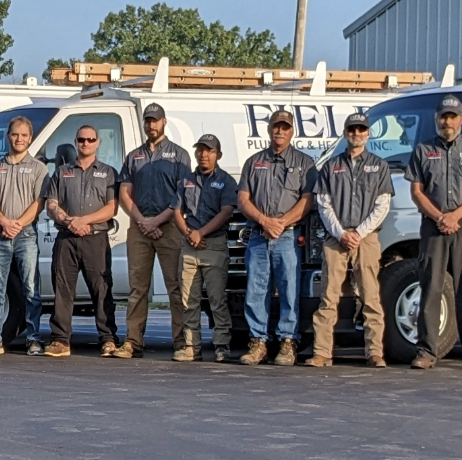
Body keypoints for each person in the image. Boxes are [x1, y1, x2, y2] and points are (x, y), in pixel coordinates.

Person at [405, 94, 462, 370]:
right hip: (433, 225)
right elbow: (416, 191)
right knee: (431, 286)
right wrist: (439, 216)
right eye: (443, 116)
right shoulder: (422, 150)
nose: (447, 122)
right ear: (436, 119)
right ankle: (427, 351)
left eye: (453, 117)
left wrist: (456, 215)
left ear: (461, 119)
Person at [306, 113, 393, 368]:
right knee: (328, 297)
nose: (357, 134)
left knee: (370, 296)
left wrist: (359, 233)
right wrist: (341, 233)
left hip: (366, 238)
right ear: (345, 134)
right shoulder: (331, 167)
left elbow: (383, 205)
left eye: (361, 130)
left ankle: (374, 352)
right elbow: (324, 203)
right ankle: (322, 352)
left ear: (368, 134)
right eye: (352, 130)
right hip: (336, 237)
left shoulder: (380, 166)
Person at [236, 110, 316, 366]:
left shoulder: (306, 163)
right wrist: (264, 220)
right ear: (269, 129)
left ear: (292, 131)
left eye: (285, 127)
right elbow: (243, 199)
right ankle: (258, 341)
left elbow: (308, 200)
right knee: (255, 291)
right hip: (259, 236)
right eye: (275, 126)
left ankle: (287, 342)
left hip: (287, 237)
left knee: (289, 290)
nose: (279, 131)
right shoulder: (254, 161)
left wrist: (281, 222)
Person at [115, 103, 191, 360]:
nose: (152, 125)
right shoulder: (134, 156)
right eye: (148, 121)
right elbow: (124, 193)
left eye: (156, 120)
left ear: (164, 122)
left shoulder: (179, 155)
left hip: (170, 227)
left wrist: (157, 221)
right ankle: (133, 341)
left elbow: (183, 194)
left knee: (176, 287)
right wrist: (142, 221)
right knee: (137, 288)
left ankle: (181, 342)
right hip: (139, 227)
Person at [43, 125, 120, 357]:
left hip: (95, 238)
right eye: (81, 140)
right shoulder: (61, 172)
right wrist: (69, 221)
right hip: (66, 238)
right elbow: (51, 205)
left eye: (90, 139)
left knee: (102, 289)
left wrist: (84, 220)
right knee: (63, 290)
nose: (85, 143)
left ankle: (108, 338)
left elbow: (112, 208)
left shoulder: (108, 173)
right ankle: (60, 340)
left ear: (98, 143)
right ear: (76, 142)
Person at [0, 116, 47, 355]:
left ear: (30, 138)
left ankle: (34, 339)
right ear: (8, 136)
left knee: (31, 289)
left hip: (26, 235)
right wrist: (4, 222)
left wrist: (17, 224)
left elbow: (39, 203)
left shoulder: (39, 169)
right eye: (15, 134)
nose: (19, 139)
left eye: (24, 135)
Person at [171, 134, 237, 363]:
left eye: (209, 150)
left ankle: (221, 345)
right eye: (200, 150)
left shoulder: (226, 181)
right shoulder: (186, 180)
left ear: (218, 154)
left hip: (214, 245)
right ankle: (191, 346)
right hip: (190, 245)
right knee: (189, 300)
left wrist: (202, 233)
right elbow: (176, 211)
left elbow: (226, 211)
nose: (203, 154)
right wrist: (189, 233)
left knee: (217, 299)